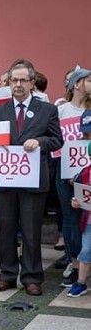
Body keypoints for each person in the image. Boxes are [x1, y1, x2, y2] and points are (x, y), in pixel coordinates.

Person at [0, 61, 62, 296]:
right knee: (5, 230)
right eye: (14, 80)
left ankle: (32, 277)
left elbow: (57, 140)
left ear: (32, 83)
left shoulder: (47, 110)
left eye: (22, 80)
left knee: (31, 231)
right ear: (9, 83)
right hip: (5, 180)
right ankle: (7, 275)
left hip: (33, 181)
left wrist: (40, 142)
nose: (18, 85)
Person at [57, 67, 91, 288]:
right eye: (89, 80)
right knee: (70, 218)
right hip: (64, 173)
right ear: (77, 84)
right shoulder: (61, 110)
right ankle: (75, 263)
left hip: (88, 175)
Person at [67, 109, 91, 297]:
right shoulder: (85, 173)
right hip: (89, 221)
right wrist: (76, 201)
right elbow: (79, 194)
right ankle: (81, 281)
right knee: (86, 252)